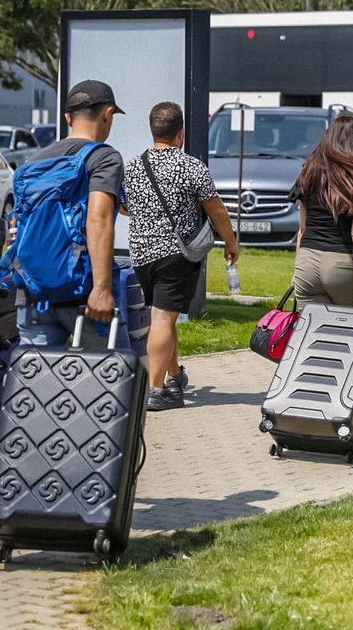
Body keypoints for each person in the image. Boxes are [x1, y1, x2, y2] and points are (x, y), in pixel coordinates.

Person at [123, 102, 239, 411]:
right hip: (177, 254)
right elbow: (215, 209)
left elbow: (123, 207)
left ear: (153, 131)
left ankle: (175, 375)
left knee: (164, 316)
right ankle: (156, 390)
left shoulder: (133, 167)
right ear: (181, 133)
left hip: (141, 254)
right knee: (162, 318)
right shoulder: (191, 166)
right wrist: (230, 242)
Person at [16, 80, 128, 350]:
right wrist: (101, 289)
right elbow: (98, 219)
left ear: (68, 117)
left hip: (34, 294)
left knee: (37, 384)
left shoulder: (33, 163)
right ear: (108, 113)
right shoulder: (104, 158)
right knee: (113, 382)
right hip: (87, 295)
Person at [291, 114, 353, 307]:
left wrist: (297, 270)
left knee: (312, 332)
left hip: (307, 263)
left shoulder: (308, 174)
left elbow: (303, 229)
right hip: (344, 266)